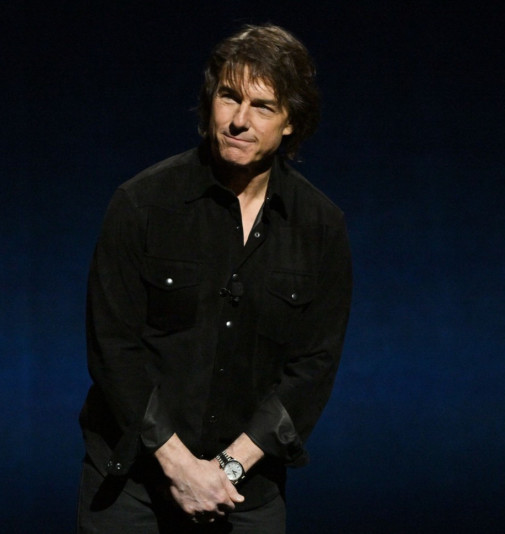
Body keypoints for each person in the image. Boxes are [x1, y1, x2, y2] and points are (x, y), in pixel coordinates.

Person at [77, 23, 352, 534]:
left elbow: (312, 367)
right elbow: (113, 348)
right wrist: (181, 467)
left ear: (291, 123)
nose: (239, 121)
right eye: (229, 98)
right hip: (132, 487)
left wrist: (226, 469)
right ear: (210, 102)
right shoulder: (141, 204)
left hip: (243, 491)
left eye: (262, 106)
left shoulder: (320, 227)